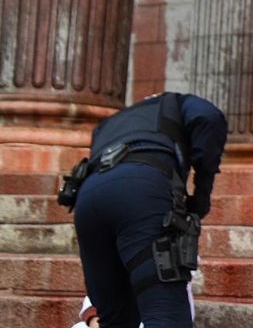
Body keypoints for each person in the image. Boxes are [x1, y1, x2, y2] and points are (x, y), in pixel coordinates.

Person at [72, 93, 227, 327]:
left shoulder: (112, 122)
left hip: (87, 197)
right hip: (140, 190)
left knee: (116, 320)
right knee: (165, 312)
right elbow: (209, 116)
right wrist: (202, 193)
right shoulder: (178, 102)